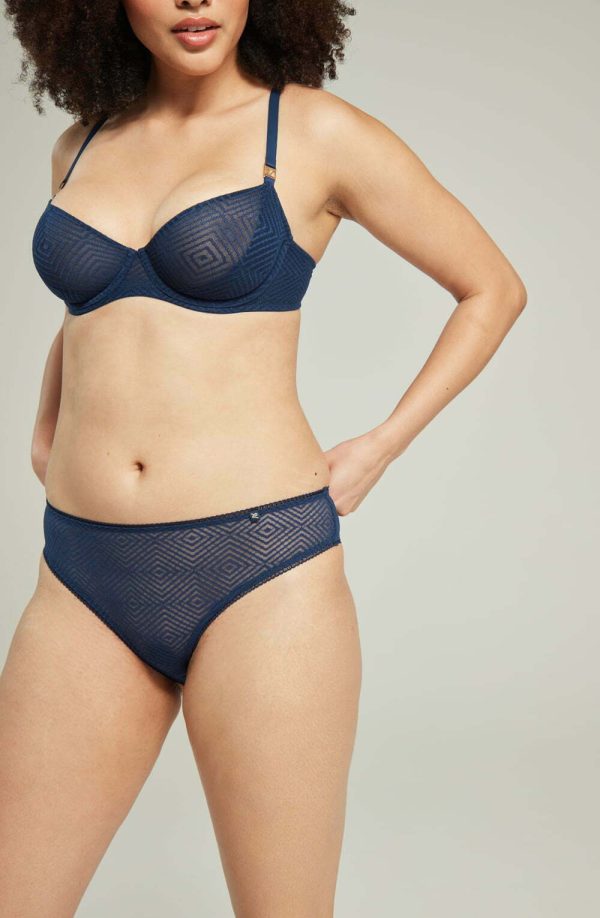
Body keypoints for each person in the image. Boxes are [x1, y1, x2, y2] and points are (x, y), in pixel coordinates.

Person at [0, 0, 527, 915]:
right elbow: (96, 305)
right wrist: (48, 420)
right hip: (83, 571)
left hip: (260, 569)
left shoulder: (315, 132)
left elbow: (492, 289)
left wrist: (381, 447)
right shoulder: (80, 146)